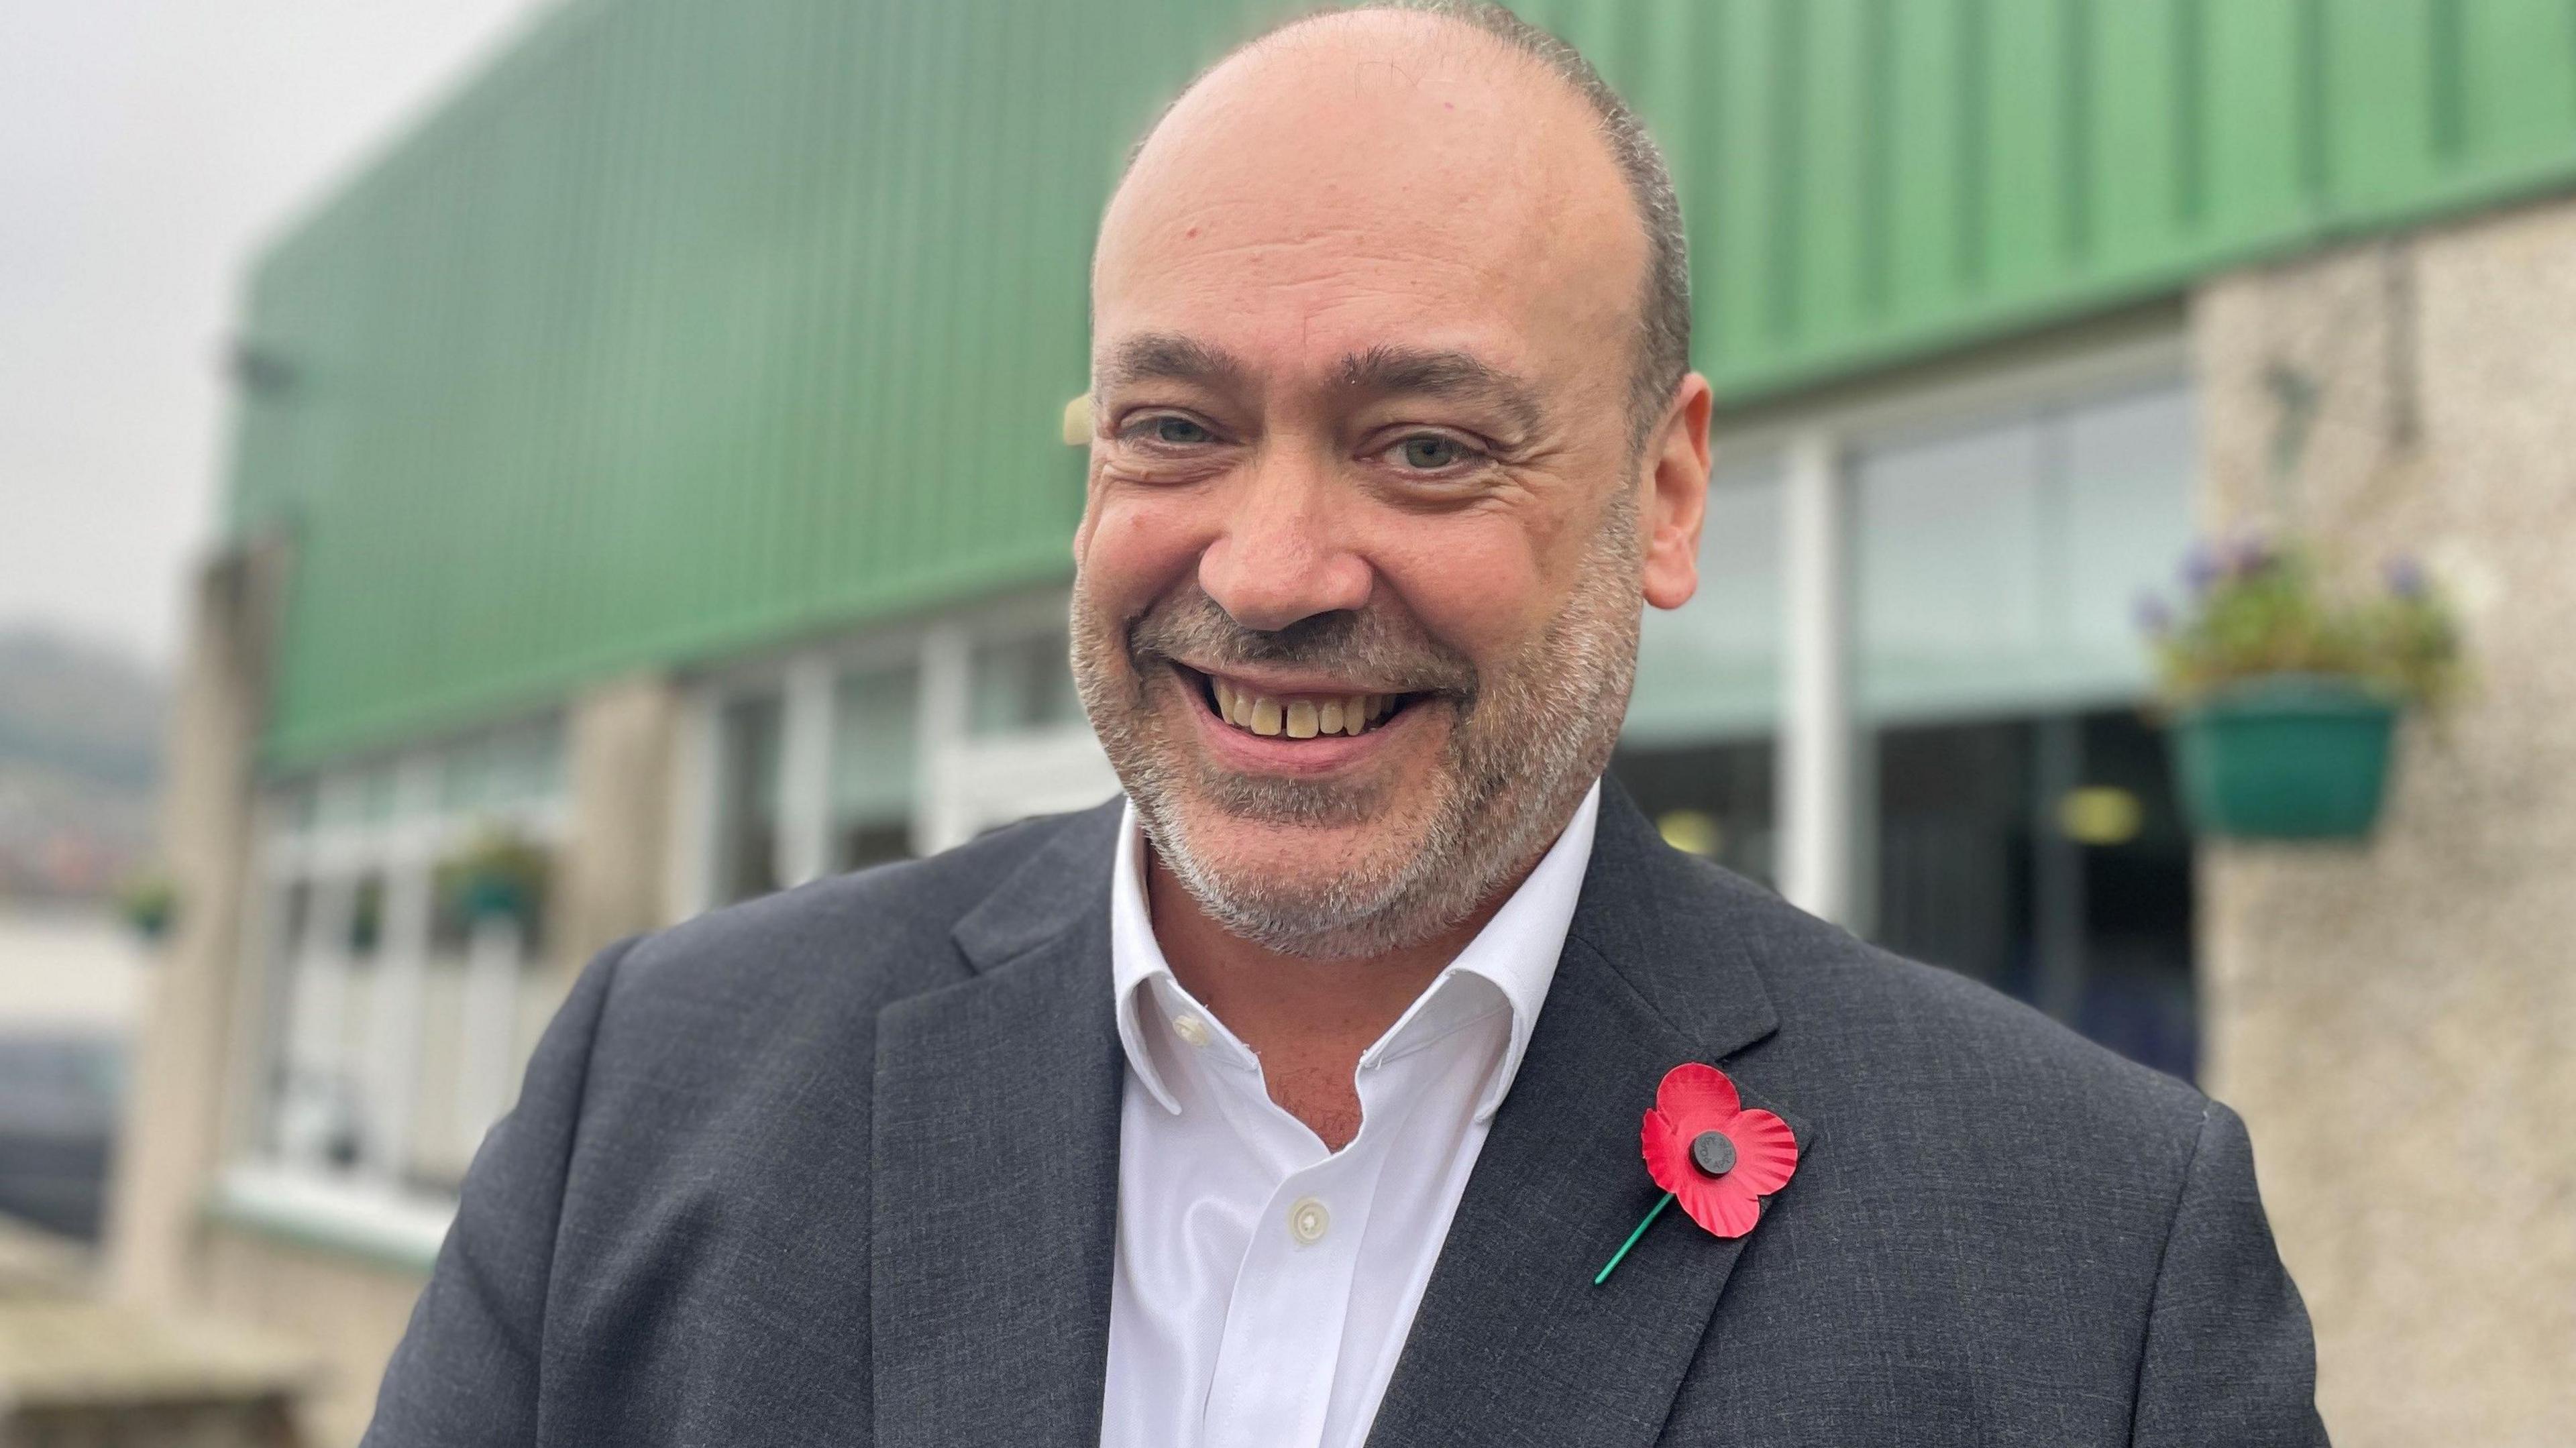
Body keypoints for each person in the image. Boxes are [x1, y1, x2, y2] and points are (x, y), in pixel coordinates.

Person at [364, 3, 2326, 1444]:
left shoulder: (2095, 1270)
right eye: (1177, 428)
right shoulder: (655, 1094)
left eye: (1426, 445)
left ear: (1665, 492)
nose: (1280, 564)